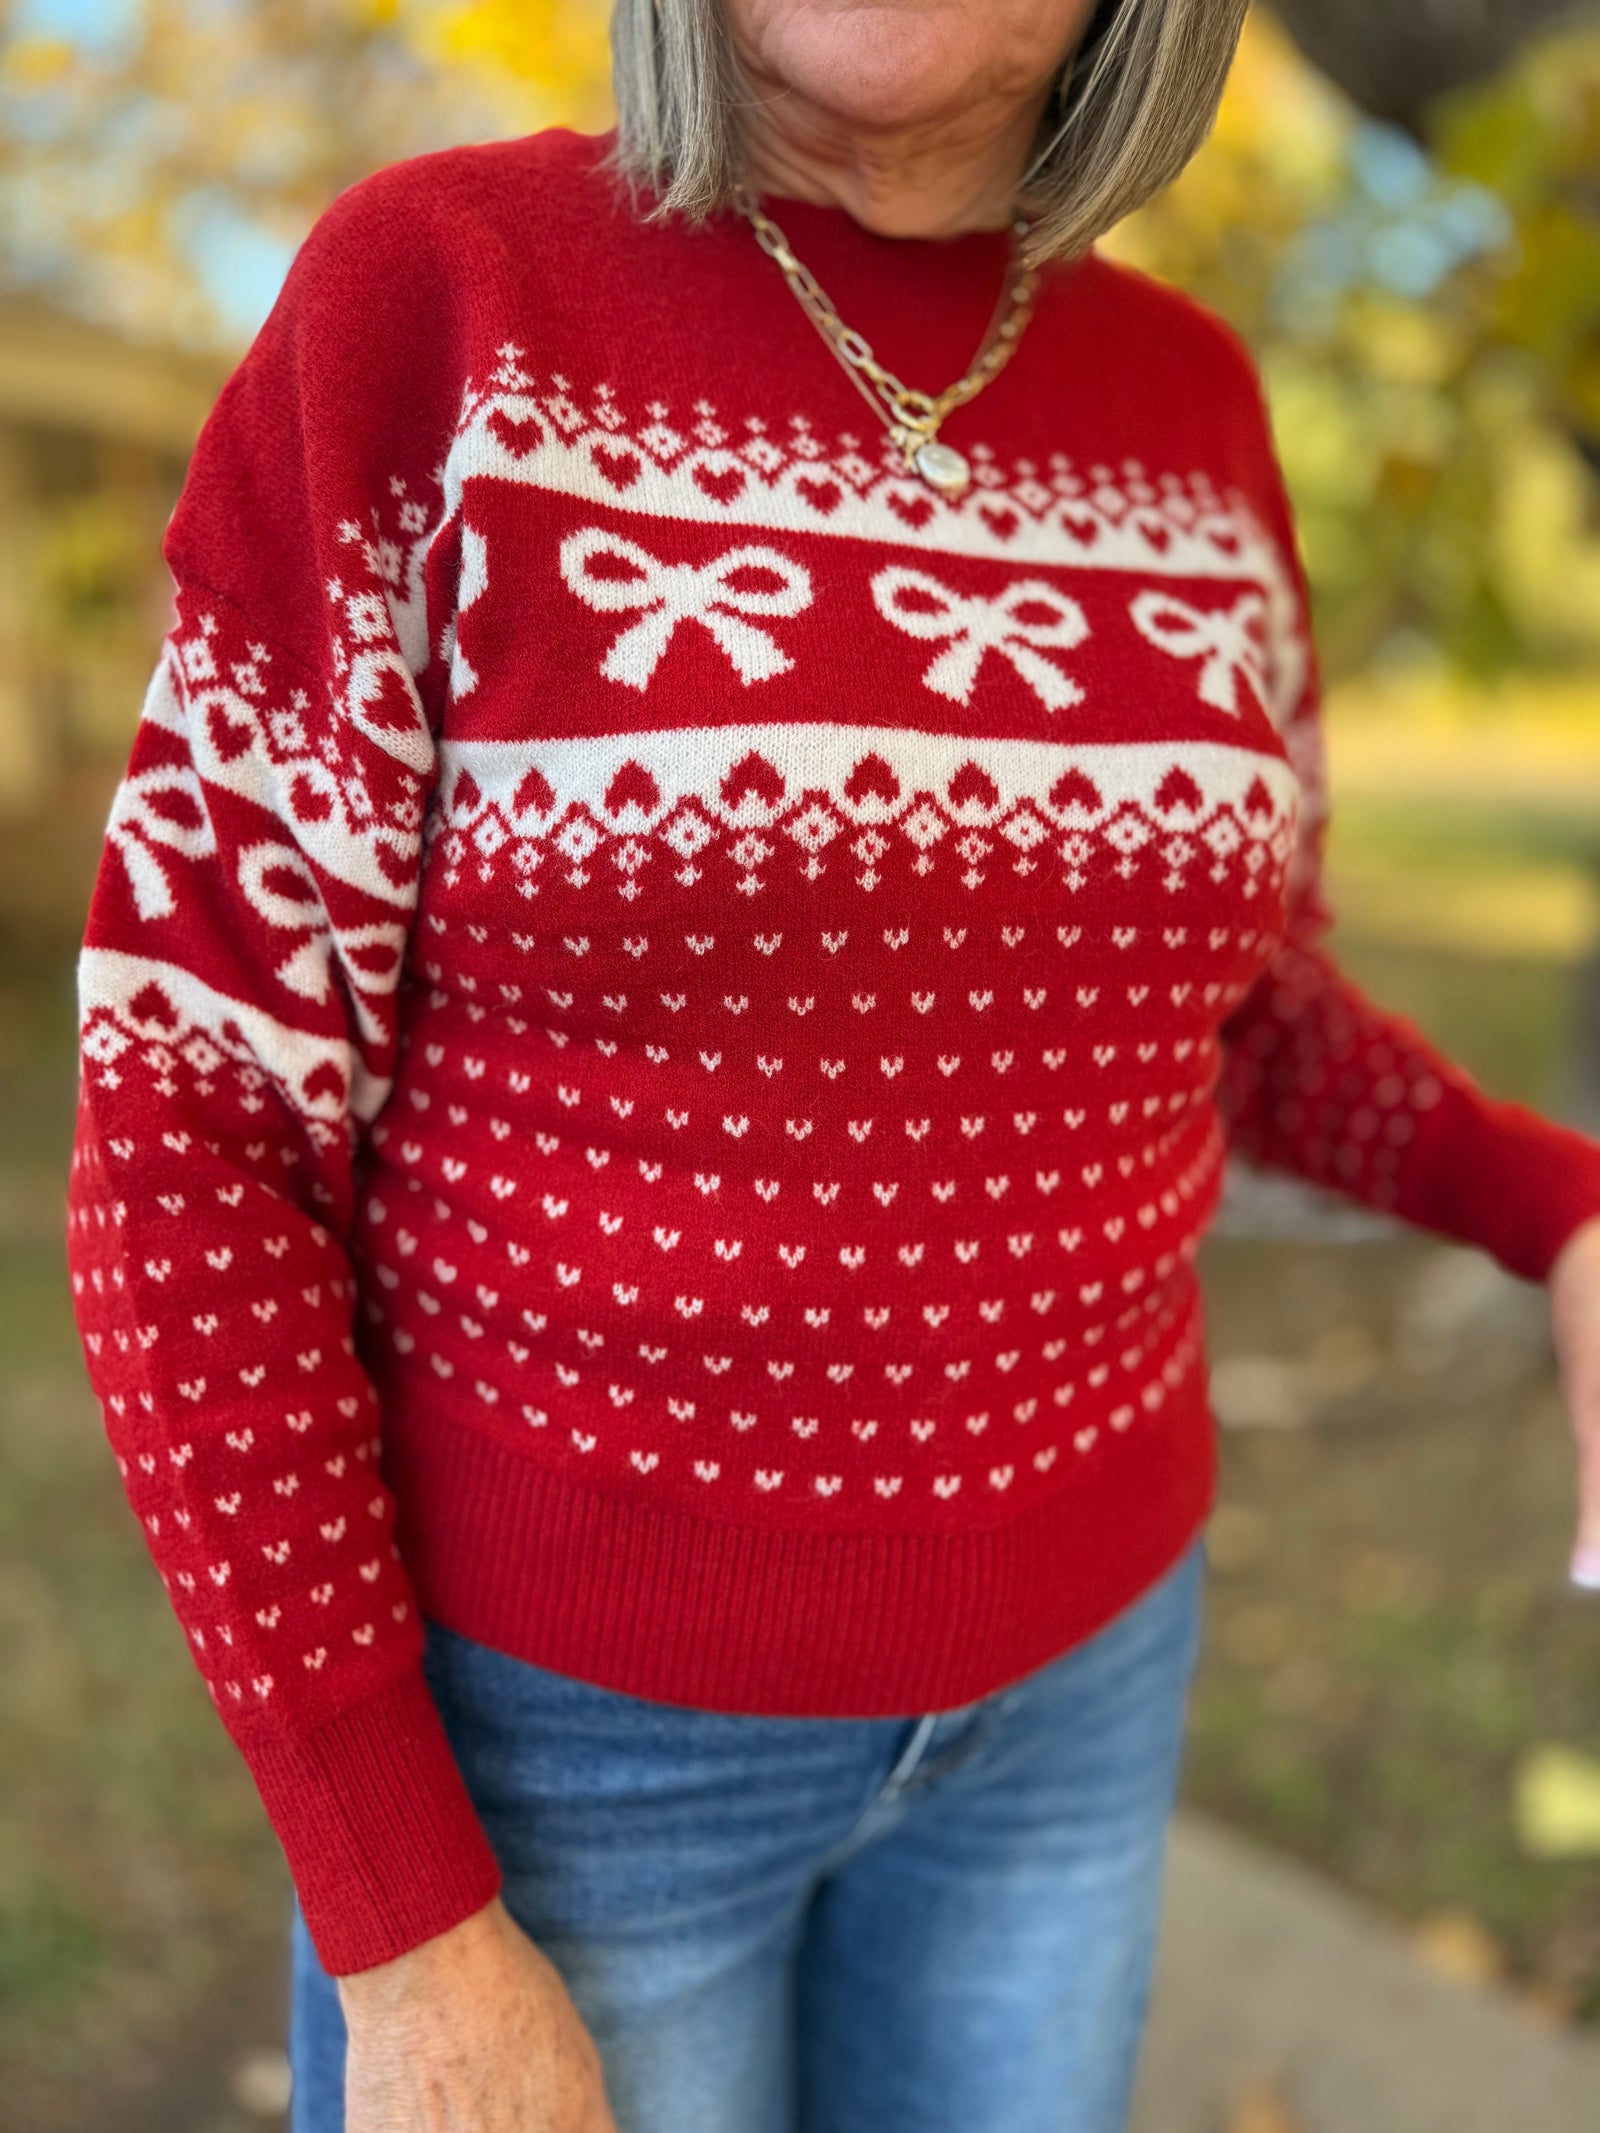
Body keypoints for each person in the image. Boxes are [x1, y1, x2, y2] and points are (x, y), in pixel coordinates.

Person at [64, 2, 1600, 2129]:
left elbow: (1239, 1005)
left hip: (1079, 1689)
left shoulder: (1193, 406)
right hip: (574, 1755)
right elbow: (191, 1128)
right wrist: (407, 1925)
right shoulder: (433, 303)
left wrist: (1555, 1199)